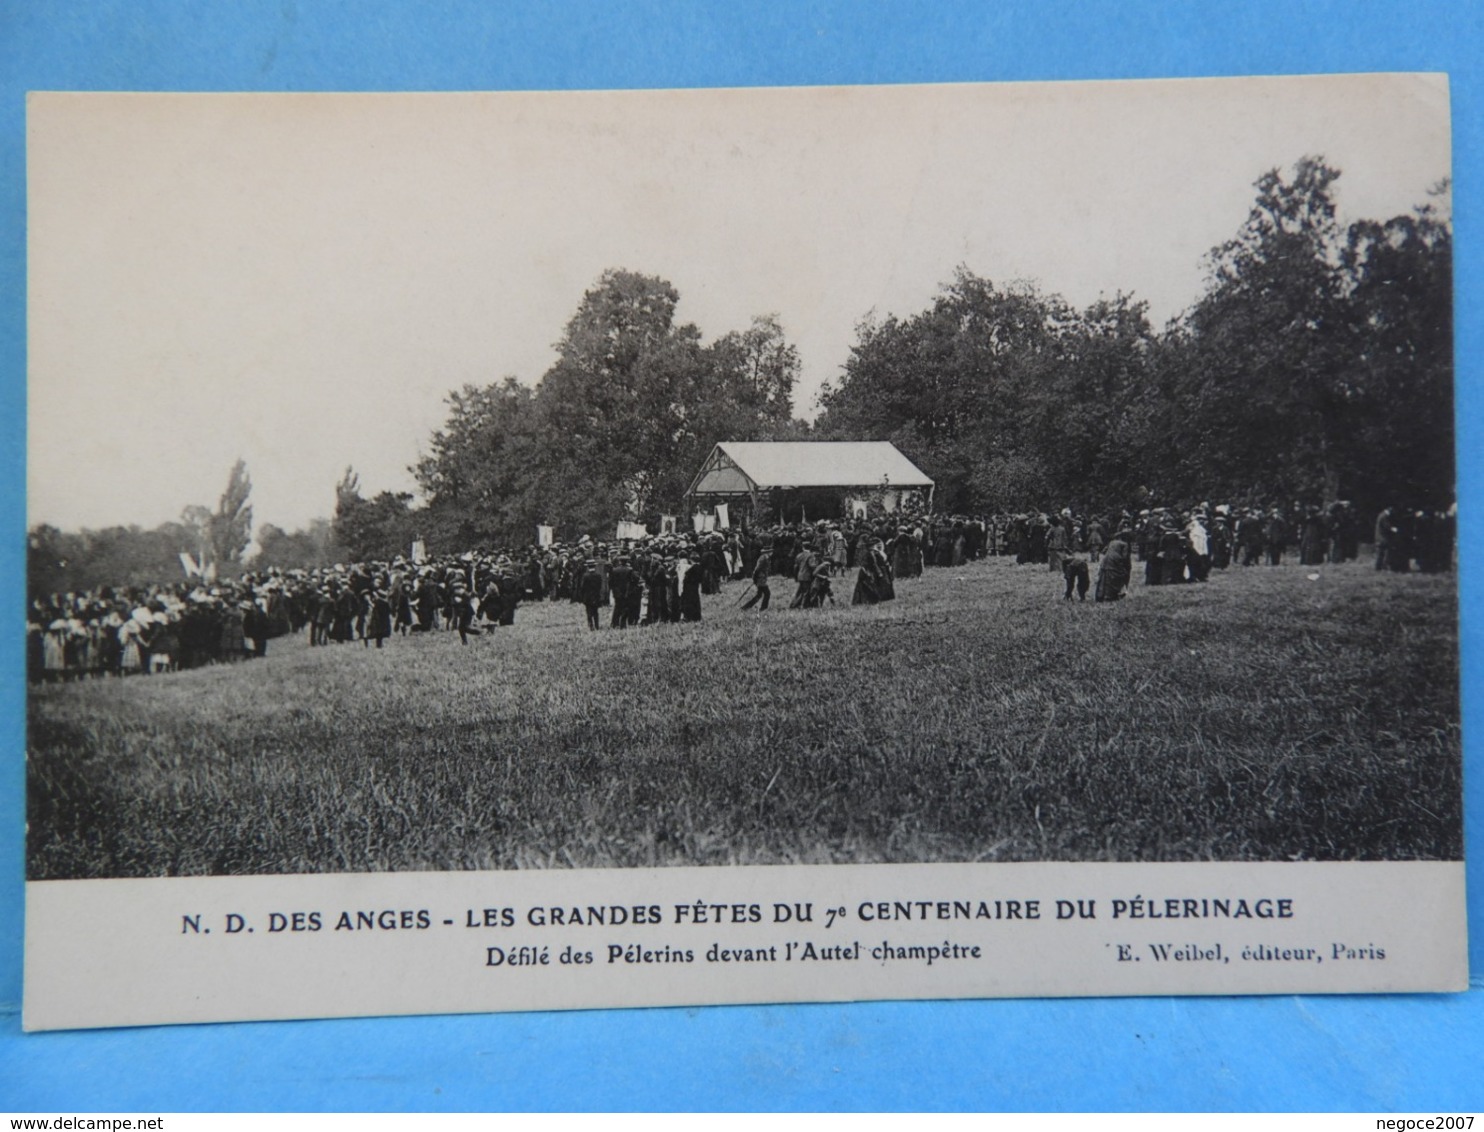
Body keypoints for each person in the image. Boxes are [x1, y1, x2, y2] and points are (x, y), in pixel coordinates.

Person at [1095, 530, 1133, 602]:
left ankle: (1101, 596)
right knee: (1115, 577)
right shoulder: (1124, 544)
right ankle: (1111, 596)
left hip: (1106, 560)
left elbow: (1103, 551)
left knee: (1104, 577)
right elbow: (1125, 557)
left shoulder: (1112, 542)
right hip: (1116, 560)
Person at [740, 540, 772, 611]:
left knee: (759, 595)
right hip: (760, 579)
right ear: (767, 552)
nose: (772, 553)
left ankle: (745, 607)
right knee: (767, 593)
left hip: (761, 578)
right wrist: (755, 578)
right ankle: (763, 608)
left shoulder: (765, 558)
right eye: (771, 551)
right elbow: (757, 569)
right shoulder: (763, 558)